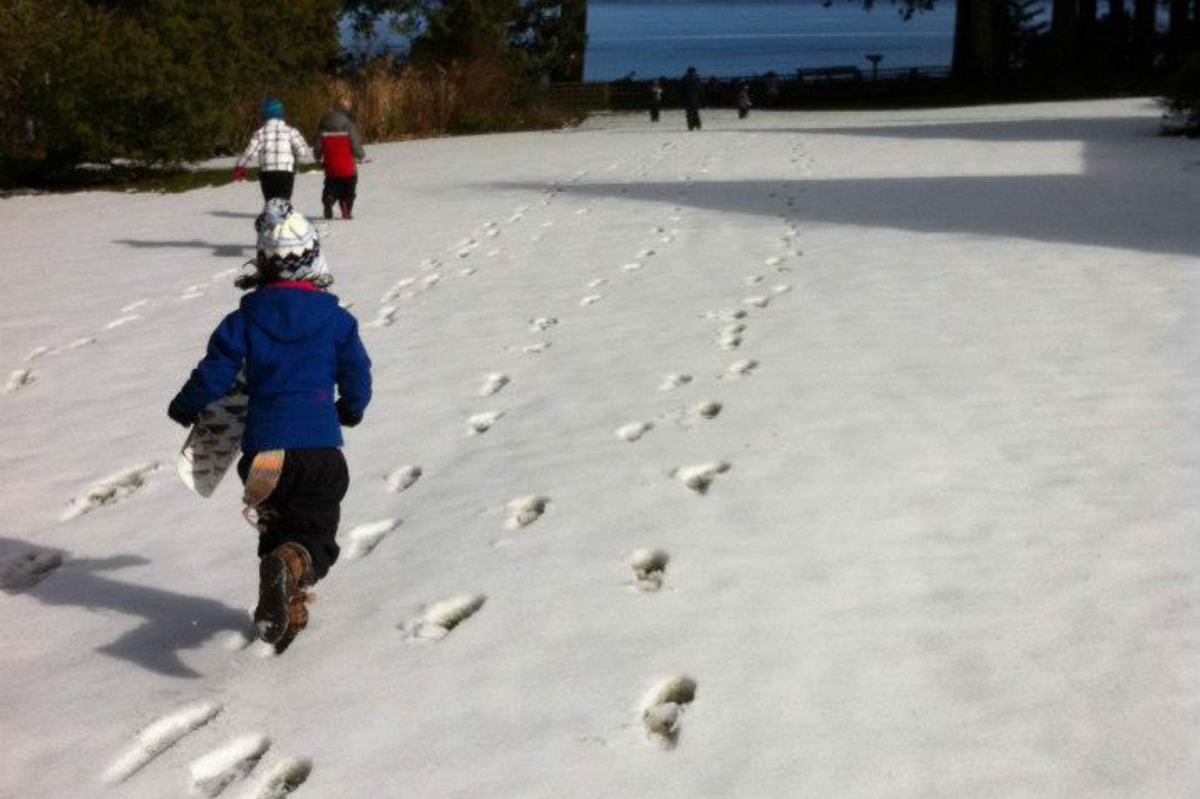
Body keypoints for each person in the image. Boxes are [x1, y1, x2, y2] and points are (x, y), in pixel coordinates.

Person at [167, 199, 372, 652]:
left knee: (277, 530)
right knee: (314, 535)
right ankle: (293, 570)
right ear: (314, 261)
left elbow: (214, 373)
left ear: (262, 266)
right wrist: (352, 407)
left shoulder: (241, 322)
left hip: (263, 458)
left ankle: (286, 614)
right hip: (318, 451)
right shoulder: (337, 321)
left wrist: (187, 405)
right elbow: (357, 372)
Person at [234, 98, 313, 202]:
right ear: (281, 115)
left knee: (270, 201)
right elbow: (303, 151)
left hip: (267, 174)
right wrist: (293, 153)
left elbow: (249, 153)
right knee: (284, 201)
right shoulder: (291, 131)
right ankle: (282, 214)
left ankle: (271, 213)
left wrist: (240, 166)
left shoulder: (260, 133)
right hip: (286, 173)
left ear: (263, 117)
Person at [314, 94, 367, 220]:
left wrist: (318, 158)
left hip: (331, 167)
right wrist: (361, 155)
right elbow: (355, 145)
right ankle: (346, 208)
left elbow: (317, 146)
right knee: (349, 188)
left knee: (331, 185)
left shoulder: (323, 124)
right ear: (347, 108)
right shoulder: (348, 125)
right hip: (348, 167)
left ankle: (329, 198)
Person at [682, 67, 703, 131]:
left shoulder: (685, 78)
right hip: (693, 98)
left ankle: (692, 126)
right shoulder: (696, 78)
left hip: (689, 98)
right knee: (694, 113)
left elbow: (681, 89)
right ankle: (696, 125)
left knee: (691, 113)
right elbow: (700, 88)